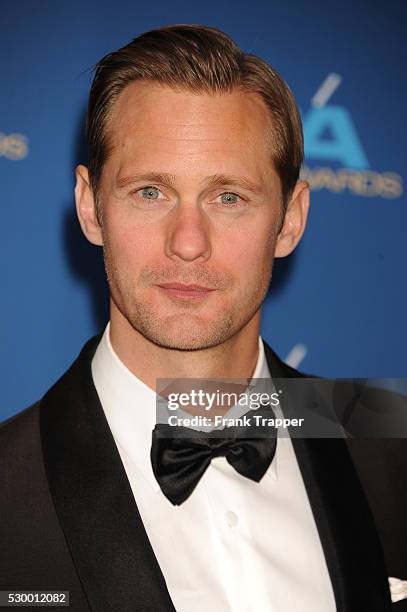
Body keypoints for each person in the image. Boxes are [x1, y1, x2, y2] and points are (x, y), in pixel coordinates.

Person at [0, 24, 405, 612]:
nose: (188, 243)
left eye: (228, 197)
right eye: (149, 192)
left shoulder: (387, 438)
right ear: (90, 207)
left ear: (290, 219)